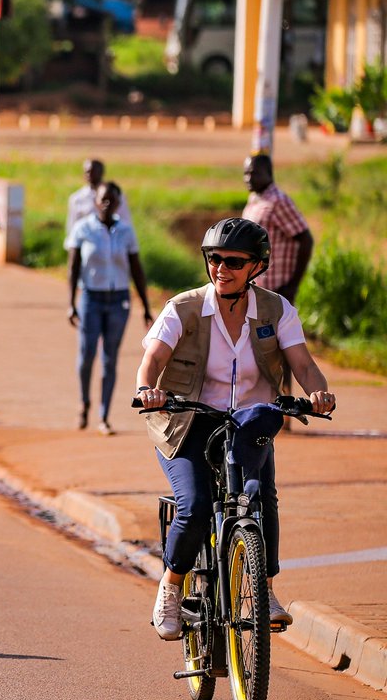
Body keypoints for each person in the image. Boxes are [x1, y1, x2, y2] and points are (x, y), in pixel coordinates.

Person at [135, 218, 336, 641]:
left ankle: (263, 591)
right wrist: (147, 389)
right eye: (214, 259)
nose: (221, 268)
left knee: (262, 496)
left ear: (256, 267)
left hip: (249, 422)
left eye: (233, 261)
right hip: (186, 420)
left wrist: (319, 394)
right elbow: (152, 359)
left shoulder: (276, 310)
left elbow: (303, 364)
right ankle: (171, 586)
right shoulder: (184, 308)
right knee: (194, 504)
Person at [67, 182, 153, 435]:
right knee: (87, 354)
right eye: (103, 199)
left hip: (118, 300)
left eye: (112, 200)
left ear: (118, 203)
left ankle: (104, 415)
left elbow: (136, 269)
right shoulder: (83, 229)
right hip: (90, 298)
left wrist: (146, 306)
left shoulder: (125, 231)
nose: (107, 204)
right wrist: (71, 303)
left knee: (110, 359)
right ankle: (84, 403)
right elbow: (73, 268)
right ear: (96, 201)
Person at [241, 153, 313, 305]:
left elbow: (306, 240)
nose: (248, 178)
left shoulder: (278, 201)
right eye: (246, 173)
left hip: (277, 289)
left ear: (268, 173)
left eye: (254, 173)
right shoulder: (255, 199)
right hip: (255, 287)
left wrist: (292, 286)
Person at [65, 158, 131, 249]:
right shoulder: (77, 198)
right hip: (87, 245)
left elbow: (125, 220)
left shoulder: (116, 196)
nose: (89, 175)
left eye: (93, 172)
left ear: (101, 173)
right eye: (87, 172)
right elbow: (72, 226)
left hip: (113, 244)